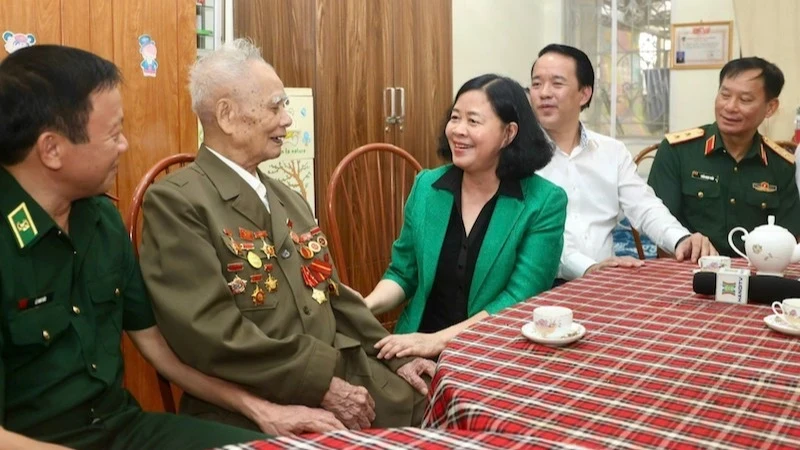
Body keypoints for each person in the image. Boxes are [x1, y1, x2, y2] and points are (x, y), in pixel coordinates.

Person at [0, 45, 294, 450]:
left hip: (123, 431)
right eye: (113, 134)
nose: (124, 146)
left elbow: (159, 351)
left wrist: (259, 408)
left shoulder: (101, 221)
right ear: (51, 150)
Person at [138, 39, 434, 432]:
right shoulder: (178, 203)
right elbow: (209, 333)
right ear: (226, 115)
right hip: (257, 398)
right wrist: (321, 383)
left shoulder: (287, 197)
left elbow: (332, 294)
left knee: (442, 402)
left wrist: (393, 354)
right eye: (275, 106)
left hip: (343, 375)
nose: (288, 120)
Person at [362, 74, 568, 360]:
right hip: (414, 345)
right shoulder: (427, 187)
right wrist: (366, 304)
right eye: (455, 118)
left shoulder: (544, 202)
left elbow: (517, 301)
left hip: (492, 351)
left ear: (508, 133)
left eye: (473, 121)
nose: (458, 130)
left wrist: (437, 342)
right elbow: (402, 272)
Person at [528, 44, 716, 282]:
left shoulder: (611, 151)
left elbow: (644, 206)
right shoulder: (518, 156)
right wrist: (590, 268)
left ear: (584, 94)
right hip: (541, 284)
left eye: (557, 83)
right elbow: (540, 238)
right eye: (536, 84)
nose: (544, 93)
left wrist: (681, 239)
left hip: (607, 281)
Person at [648, 57, 800, 255]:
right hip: (688, 272)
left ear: (770, 107)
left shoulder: (781, 165)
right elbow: (659, 229)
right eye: (725, 95)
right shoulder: (677, 151)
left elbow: (788, 240)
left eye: (745, 100)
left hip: (755, 275)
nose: (729, 107)